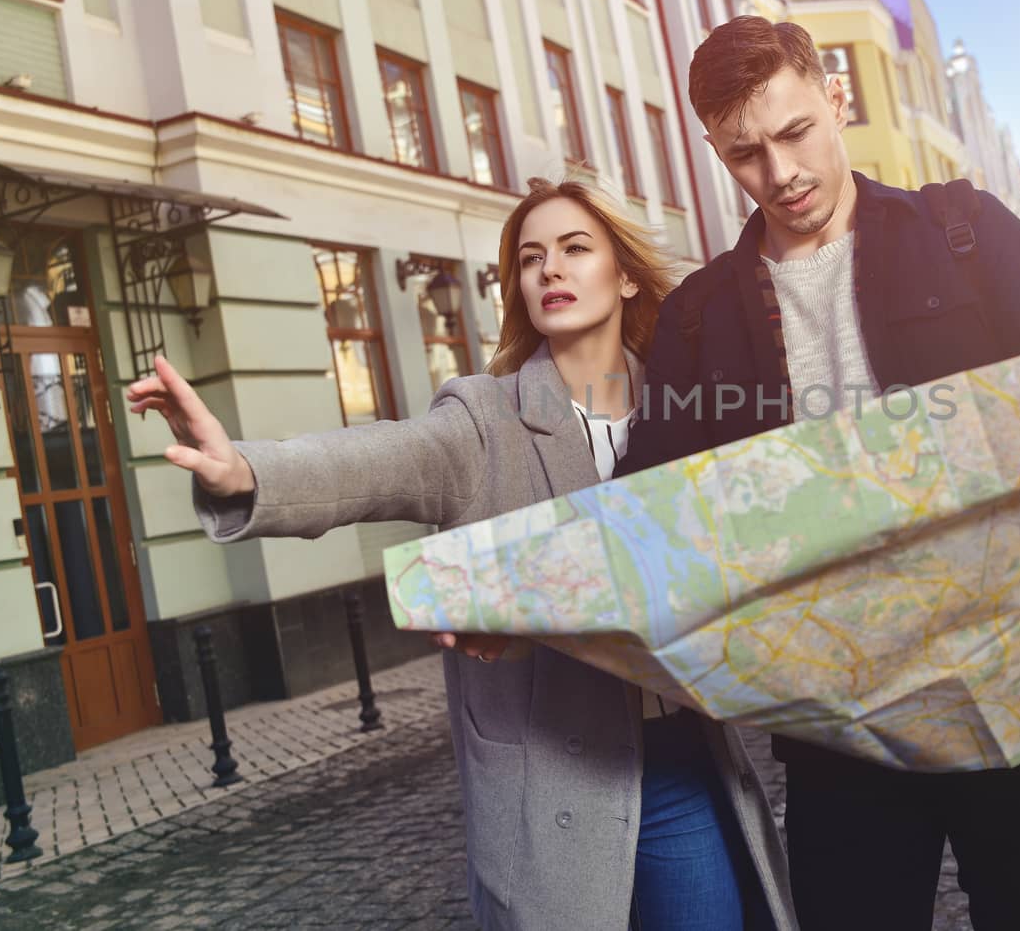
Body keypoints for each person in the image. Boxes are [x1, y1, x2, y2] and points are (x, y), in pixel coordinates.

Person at [617, 17, 1020, 931]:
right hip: (837, 709)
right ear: (714, 148)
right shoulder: (696, 315)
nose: (781, 172)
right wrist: (505, 600)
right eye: (746, 153)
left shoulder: (966, 230)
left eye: (796, 133)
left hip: (1011, 677)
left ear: (836, 101)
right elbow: (642, 503)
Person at [125, 178, 797, 931]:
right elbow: (377, 460)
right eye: (530, 257)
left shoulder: (684, 403)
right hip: (557, 782)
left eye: (576, 249)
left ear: (627, 273)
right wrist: (245, 469)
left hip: (681, 763)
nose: (550, 270)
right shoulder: (484, 418)